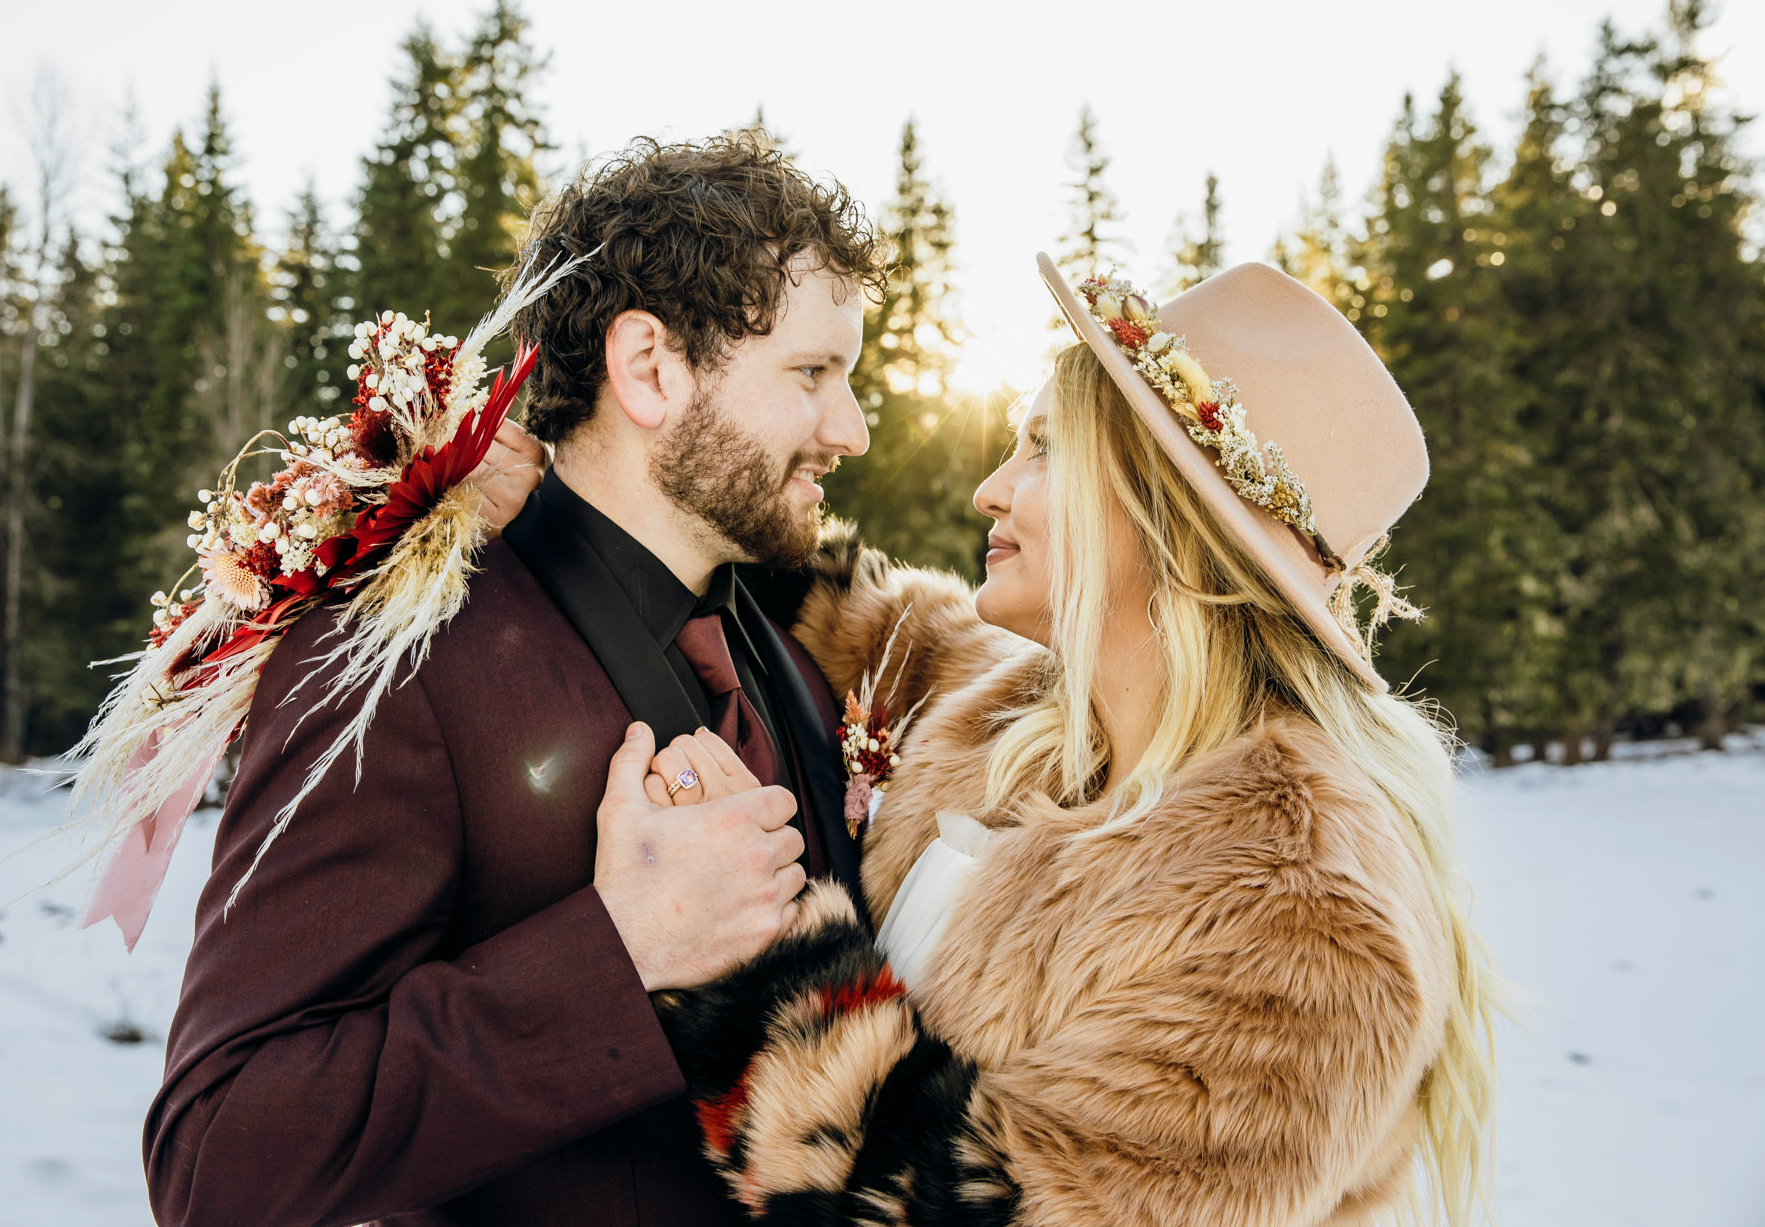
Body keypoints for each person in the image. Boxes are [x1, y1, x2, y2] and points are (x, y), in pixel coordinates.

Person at [638, 256, 1501, 1225]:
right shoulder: (1020, 704)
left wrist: (742, 943)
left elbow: (981, 1204)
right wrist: (547, 474)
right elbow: (841, 605)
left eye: (1042, 448)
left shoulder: (1300, 910)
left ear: (1164, 513)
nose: (988, 490)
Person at [142, 134, 886, 1226]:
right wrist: (618, 954)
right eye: (812, 374)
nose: (852, 430)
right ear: (649, 368)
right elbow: (218, 1159)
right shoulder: (393, 662)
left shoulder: (804, 670)